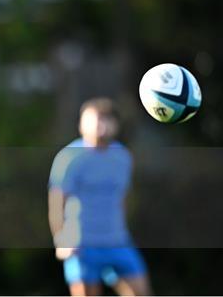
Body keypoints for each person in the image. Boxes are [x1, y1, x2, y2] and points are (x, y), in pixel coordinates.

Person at [47, 98, 151, 296]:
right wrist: (61, 239)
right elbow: (56, 202)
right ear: (81, 124)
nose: (100, 125)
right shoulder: (69, 157)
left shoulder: (123, 157)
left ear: (115, 125)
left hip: (117, 241)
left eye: (106, 119)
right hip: (82, 245)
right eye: (94, 120)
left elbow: (122, 198)